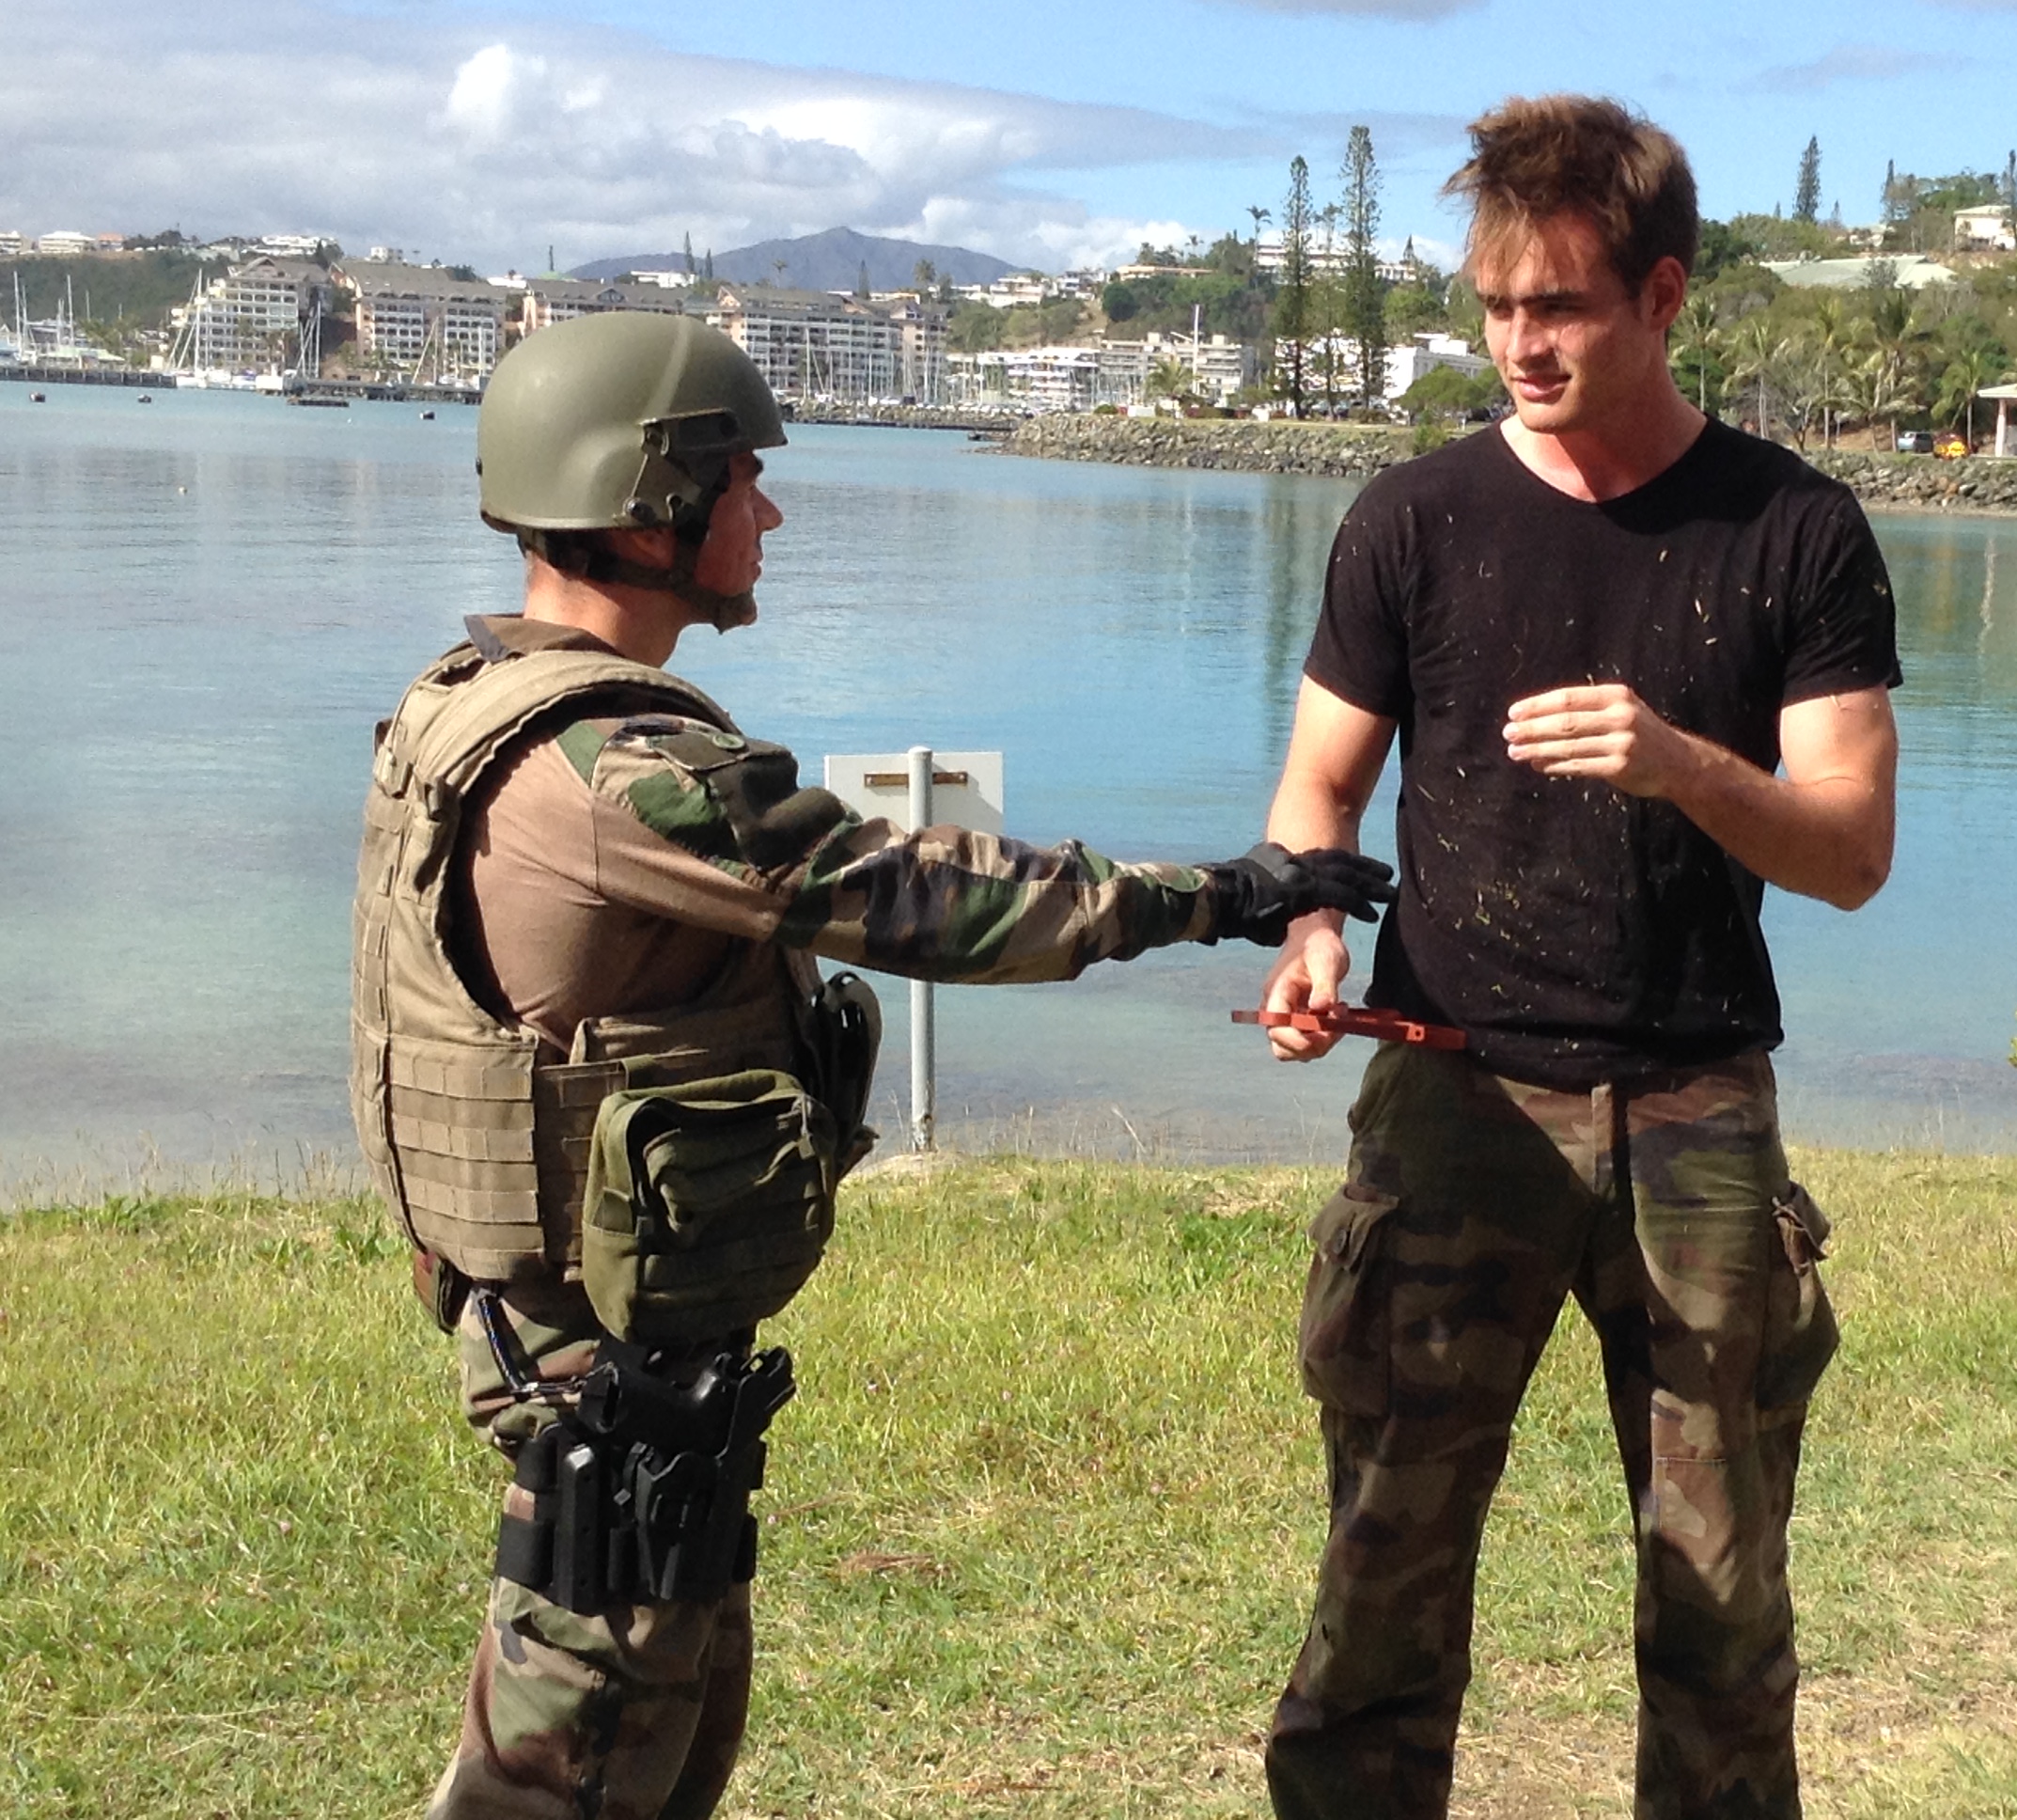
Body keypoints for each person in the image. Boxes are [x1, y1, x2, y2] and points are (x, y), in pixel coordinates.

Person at [351, 309, 1392, 1820]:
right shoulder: (621, 775)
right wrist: (1228, 894)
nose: (767, 515)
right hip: (604, 1368)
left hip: (581, 1328)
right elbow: (922, 898)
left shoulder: (465, 701)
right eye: (741, 480)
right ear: (648, 505)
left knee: (659, 1734)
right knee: (567, 1767)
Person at [1254, 95, 1900, 1820]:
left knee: (1721, 1608)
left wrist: (1679, 761)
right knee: (1380, 1586)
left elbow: (1851, 852)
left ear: (1663, 296)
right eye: (1494, 306)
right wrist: (1314, 925)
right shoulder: (1411, 519)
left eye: (1559, 306)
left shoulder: (1795, 529)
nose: (1519, 344)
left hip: (1698, 1116)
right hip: (1450, 1097)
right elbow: (1323, 788)